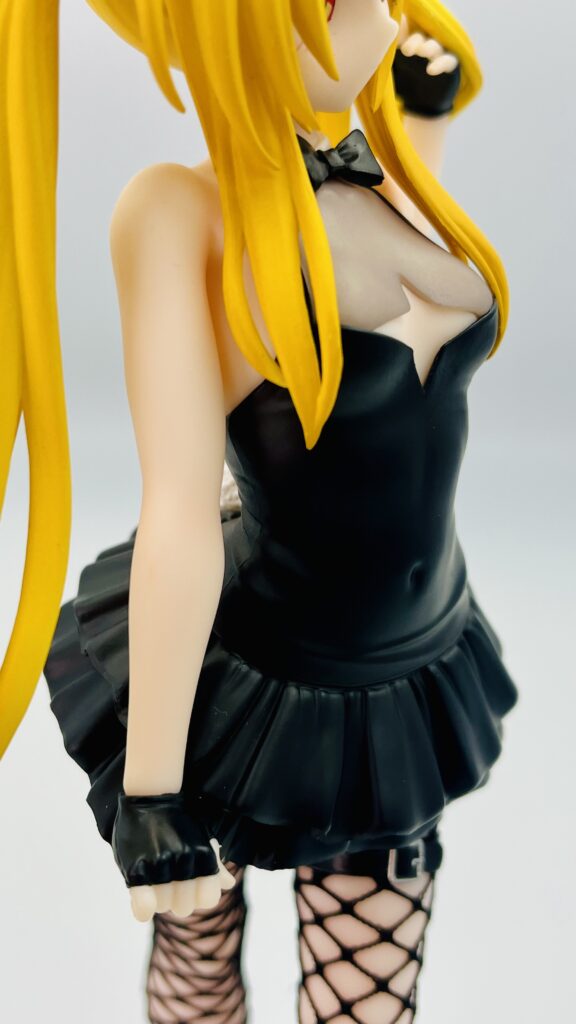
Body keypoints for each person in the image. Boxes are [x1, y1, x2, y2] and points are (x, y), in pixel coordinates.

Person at [1, 2, 519, 1021]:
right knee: (197, 975)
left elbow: (407, 312)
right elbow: (178, 508)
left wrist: (424, 121)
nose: (371, 18)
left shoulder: (389, 163)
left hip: (410, 671)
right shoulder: (177, 214)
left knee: (373, 1001)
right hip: (240, 685)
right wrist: (152, 795)